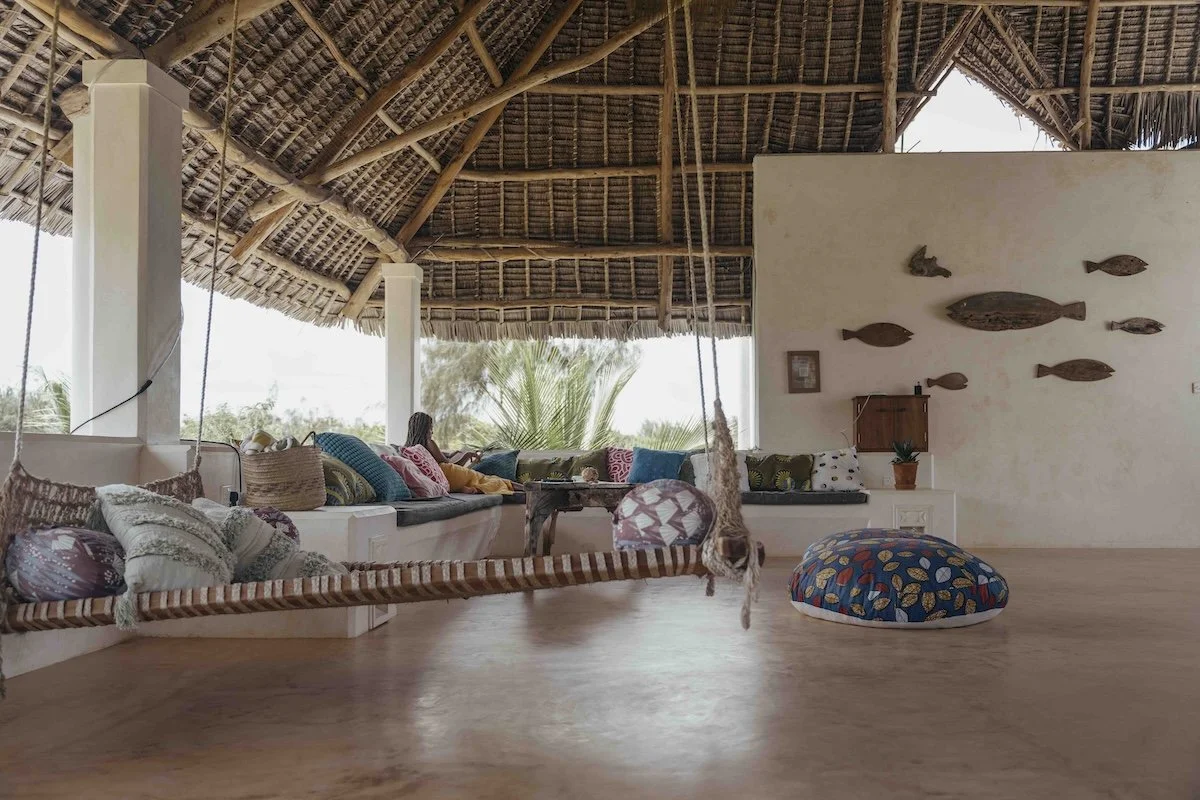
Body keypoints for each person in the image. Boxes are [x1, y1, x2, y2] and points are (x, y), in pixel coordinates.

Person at [404, 412, 521, 495]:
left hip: (439, 480)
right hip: (447, 474)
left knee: (481, 481)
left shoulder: (410, 448)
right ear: (424, 428)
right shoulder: (429, 442)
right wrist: (466, 456)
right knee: (487, 479)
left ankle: (463, 489)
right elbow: (447, 464)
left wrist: (452, 454)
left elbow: (439, 457)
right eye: (430, 428)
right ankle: (527, 488)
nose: (432, 431)